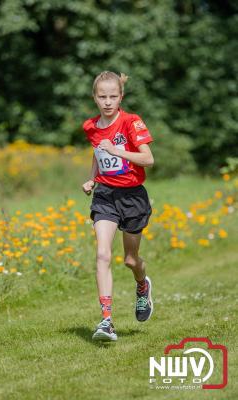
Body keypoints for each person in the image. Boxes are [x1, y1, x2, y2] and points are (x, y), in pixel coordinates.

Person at [82, 71, 154, 341]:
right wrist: (91, 179)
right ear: (95, 97)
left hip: (133, 196)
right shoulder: (91, 126)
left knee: (130, 260)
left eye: (113, 96)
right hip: (105, 196)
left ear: (121, 96)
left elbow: (148, 159)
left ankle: (142, 286)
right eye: (102, 97)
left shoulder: (131, 122)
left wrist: (117, 151)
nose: (108, 102)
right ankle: (106, 321)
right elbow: (97, 151)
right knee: (102, 254)